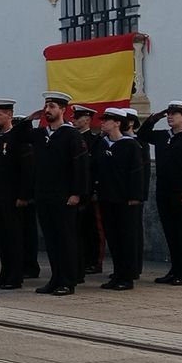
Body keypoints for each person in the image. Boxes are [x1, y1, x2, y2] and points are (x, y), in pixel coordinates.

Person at [28, 92, 89, 296]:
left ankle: (67, 281)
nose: (48, 110)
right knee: (52, 240)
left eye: (52, 106)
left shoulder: (71, 135)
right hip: (44, 194)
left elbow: (81, 166)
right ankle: (55, 279)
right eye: (46, 106)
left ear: (63, 110)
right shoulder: (42, 134)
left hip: (64, 196)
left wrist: (77, 193)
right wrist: (30, 118)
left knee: (65, 239)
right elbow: (18, 136)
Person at [140, 100, 182, 285]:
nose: (170, 117)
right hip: (164, 192)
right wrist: (154, 118)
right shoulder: (164, 136)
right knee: (170, 233)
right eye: (168, 113)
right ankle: (174, 269)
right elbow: (143, 135)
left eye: (174, 114)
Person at [0, 99, 33, 290]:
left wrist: (23, 195)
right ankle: (4, 274)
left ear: (9, 115)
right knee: (1, 238)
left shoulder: (17, 138)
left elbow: (26, 170)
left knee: (14, 238)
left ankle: (15, 276)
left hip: (12, 196)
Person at [94, 108, 146, 290]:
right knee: (113, 238)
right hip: (107, 197)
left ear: (117, 123)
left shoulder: (130, 145)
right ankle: (117, 273)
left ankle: (127, 276)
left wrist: (134, 196)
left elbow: (137, 173)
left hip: (125, 199)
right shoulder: (102, 144)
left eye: (107, 120)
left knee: (126, 238)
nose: (103, 122)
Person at [71, 104, 103, 275]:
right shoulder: (72, 138)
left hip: (90, 191)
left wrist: (95, 190)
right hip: (75, 190)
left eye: (77, 117)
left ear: (88, 120)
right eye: (74, 117)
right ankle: (81, 259)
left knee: (91, 228)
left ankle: (93, 261)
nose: (73, 120)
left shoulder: (96, 140)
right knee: (78, 228)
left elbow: (96, 167)